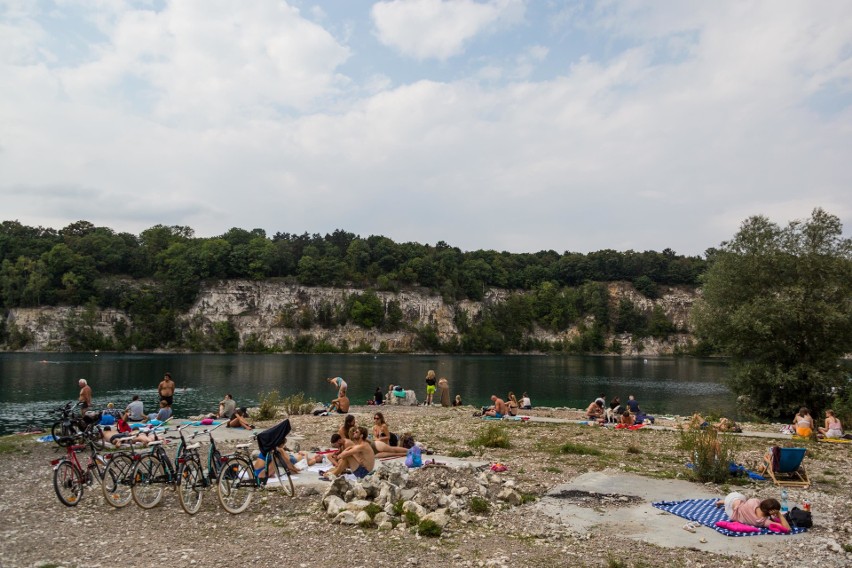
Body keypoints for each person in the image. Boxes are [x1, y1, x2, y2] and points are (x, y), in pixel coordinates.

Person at [715, 493, 791, 531]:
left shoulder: (754, 501)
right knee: (737, 505)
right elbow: (787, 529)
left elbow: (760, 504)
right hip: (731, 513)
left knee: (740, 503)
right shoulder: (763, 521)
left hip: (733, 498)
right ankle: (723, 502)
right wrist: (779, 514)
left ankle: (723, 502)